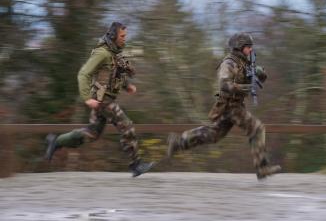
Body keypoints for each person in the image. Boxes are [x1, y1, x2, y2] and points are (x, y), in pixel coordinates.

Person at [44, 22, 154, 177]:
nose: (124, 39)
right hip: (103, 100)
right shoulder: (102, 53)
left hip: (103, 99)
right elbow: (83, 74)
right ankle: (136, 164)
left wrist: (127, 85)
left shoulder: (114, 53)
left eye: (125, 36)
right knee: (127, 126)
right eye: (122, 36)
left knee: (92, 133)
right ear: (113, 36)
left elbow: (113, 74)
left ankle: (56, 141)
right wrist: (86, 98)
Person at [167, 32, 281, 180]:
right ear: (239, 47)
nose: (251, 50)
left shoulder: (244, 63)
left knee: (214, 135)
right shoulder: (229, 63)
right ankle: (262, 167)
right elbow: (224, 84)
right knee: (257, 128)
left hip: (234, 105)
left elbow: (257, 81)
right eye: (248, 47)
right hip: (231, 106)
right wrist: (245, 87)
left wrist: (259, 74)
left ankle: (179, 142)